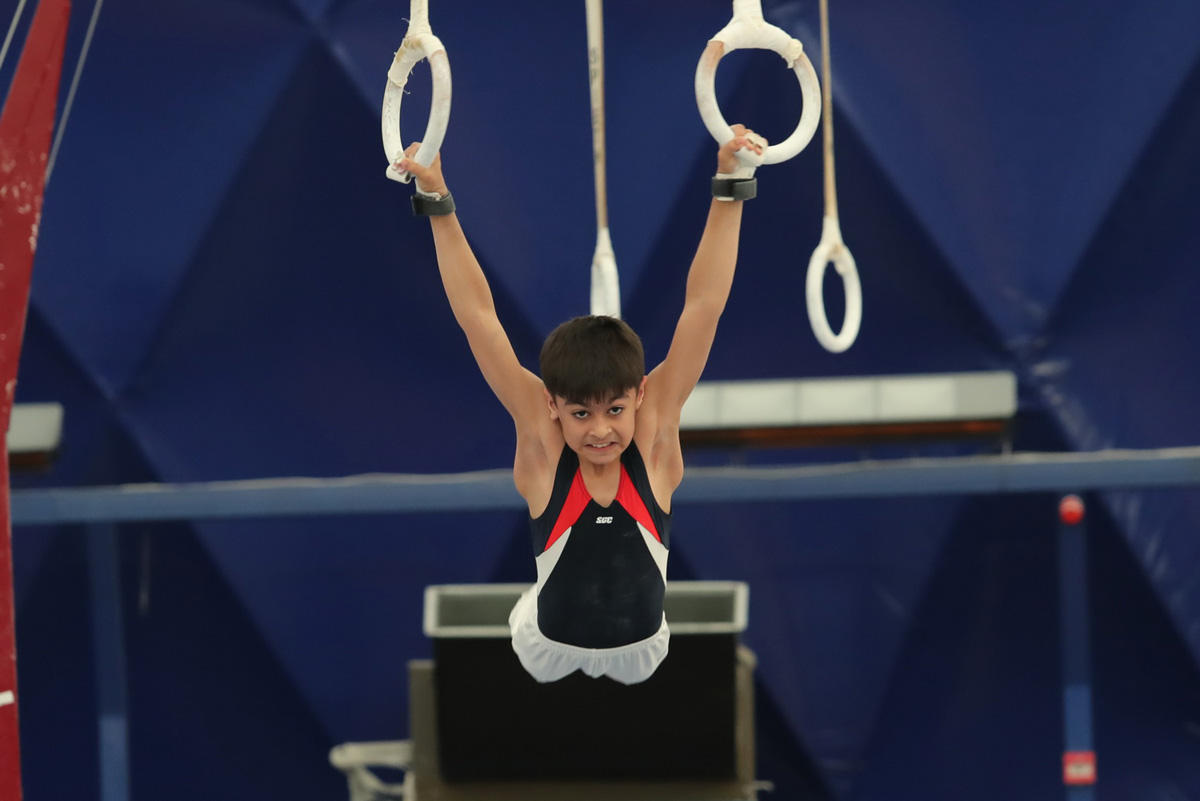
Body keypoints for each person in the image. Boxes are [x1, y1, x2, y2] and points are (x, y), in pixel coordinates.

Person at [395, 125, 764, 684]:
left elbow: (704, 307)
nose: (600, 432)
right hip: (545, 643)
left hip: (643, 648)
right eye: (581, 413)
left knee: (631, 672)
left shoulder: (654, 431)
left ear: (641, 394)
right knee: (539, 645)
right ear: (552, 405)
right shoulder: (542, 442)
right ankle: (535, 602)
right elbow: (478, 320)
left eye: (616, 410)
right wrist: (438, 203)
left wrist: (731, 186)